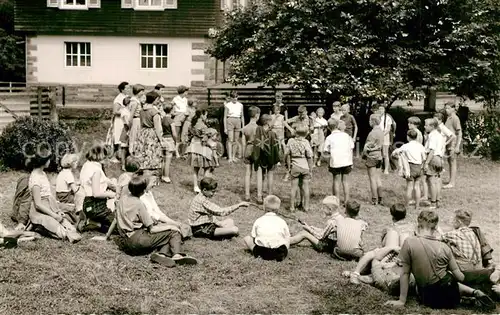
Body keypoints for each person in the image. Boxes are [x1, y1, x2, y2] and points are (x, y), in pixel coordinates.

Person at [385, 210, 495, 310]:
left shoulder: (409, 242)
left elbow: (405, 273)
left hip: (429, 298)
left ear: (418, 222)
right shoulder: (444, 247)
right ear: (436, 226)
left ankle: (469, 298)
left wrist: (401, 301)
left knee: (426, 285)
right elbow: (460, 277)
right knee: (447, 277)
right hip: (451, 292)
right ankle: (474, 292)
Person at [116, 172, 197, 267]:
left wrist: (107, 236)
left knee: (164, 237)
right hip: (137, 240)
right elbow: (152, 229)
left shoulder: (122, 199)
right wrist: (170, 226)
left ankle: (162, 254)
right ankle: (177, 254)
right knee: (173, 232)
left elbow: (116, 219)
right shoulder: (139, 204)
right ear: (143, 191)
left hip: (124, 242)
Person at [344, 204, 415, 293]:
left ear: (392, 216)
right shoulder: (411, 227)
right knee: (402, 237)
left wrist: (390, 246)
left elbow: (383, 245)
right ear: (405, 215)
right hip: (403, 260)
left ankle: (356, 273)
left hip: (388, 258)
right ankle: (361, 273)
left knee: (376, 251)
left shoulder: (389, 228)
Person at [27, 151, 81, 243]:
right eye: (48, 160)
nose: (50, 162)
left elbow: (49, 196)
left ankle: (42, 227)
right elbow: (38, 204)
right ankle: (39, 226)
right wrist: (54, 215)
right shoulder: (36, 178)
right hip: (39, 211)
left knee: (72, 229)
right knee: (64, 233)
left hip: (49, 206)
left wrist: (57, 211)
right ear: (43, 161)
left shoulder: (42, 173)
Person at [441, 210, 500, 289]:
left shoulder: (453, 234)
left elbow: (436, 239)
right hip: (479, 268)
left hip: (465, 272)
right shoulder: (475, 232)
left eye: (453, 220)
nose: (452, 222)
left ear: (459, 221)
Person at [80, 142, 117, 233]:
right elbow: (96, 194)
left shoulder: (87, 165)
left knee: (114, 221)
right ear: (100, 156)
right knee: (119, 227)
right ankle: (96, 224)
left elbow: (104, 181)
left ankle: (95, 221)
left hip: (87, 204)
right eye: (105, 157)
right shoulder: (96, 170)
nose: (106, 159)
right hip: (96, 206)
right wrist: (111, 194)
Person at [243, 195, 290, 262]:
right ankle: (283, 254)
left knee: (247, 238)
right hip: (279, 253)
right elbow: (287, 237)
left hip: (261, 253)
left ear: (264, 208)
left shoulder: (258, 220)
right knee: (287, 238)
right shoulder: (282, 221)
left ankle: (259, 252)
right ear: (278, 210)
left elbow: (254, 238)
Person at [133, 91, 165, 184]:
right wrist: (161, 140)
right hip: (151, 134)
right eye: (158, 99)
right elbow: (157, 128)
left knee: (143, 152)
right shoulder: (154, 112)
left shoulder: (142, 110)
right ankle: (149, 179)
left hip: (143, 133)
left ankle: (140, 174)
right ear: (154, 99)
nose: (158, 101)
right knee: (151, 155)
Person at [185, 108, 219, 193]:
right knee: (206, 168)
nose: (206, 117)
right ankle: (206, 186)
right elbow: (205, 140)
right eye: (206, 115)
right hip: (202, 149)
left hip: (193, 147)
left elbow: (188, 136)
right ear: (202, 115)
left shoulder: (192, 124)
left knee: (195, 170)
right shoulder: (204, 126)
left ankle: (196, 186)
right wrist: (211, 144)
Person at [391, 130, 426, 210]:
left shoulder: (406, 146)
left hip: (410, 167)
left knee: (409, 186)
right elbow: (424, 157)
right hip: (419, 167)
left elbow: (395, 152)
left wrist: (397, 157)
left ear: (408, 137)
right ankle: (417, 206)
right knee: (417, 186)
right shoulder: (420, 146)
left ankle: (407, 205)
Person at [323, 118, 355, 205]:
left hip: (336, 162)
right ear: (337, 126)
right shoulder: (346, 136)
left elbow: (325, 150)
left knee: (336, 180)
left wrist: (329, 155)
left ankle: (336, 200)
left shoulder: (329, 138)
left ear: (329, 128)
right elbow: (352, 146)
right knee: (345, 181)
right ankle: (346, 200)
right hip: (346, 161)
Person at [252, 114, 281, 204]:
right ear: (268, 122)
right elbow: (276, 148)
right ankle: (270, 196)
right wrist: (276, 159)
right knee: (270, 176)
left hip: (260, 157)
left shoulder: (258, 130)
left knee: (259, 176)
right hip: (270, 157)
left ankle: (259, 196)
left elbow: (256, 144)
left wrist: (255, 157)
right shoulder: (273, 133)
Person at [284, 125, 313, 212]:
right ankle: (306, 206)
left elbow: (286, 153)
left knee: (294, 187)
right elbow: (310, 156)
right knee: (305, 187)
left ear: (295, 132)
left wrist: (287, 166)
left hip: (295, 165)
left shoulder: (290, 141)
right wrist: (310, 170)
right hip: (305, 166)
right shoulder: (306, 142)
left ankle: (292, 206)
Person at [55, 153, 85, 223]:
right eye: (75, 162)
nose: (77, 164)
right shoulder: (68, 174)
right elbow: (75, 189)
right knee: (81, 195)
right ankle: (79, 213)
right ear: (71, 163)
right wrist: (81, 187)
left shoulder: (62, 172)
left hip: (59, 195)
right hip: (65, 196)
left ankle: (75, 213)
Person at [423, 118, 445, 209]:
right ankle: (437, 200)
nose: (424, 127)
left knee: (431, 182)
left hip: (433, 158)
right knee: (436, 181)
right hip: (439, 158)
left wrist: (426, 163)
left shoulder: (432, 136)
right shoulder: (439, 135)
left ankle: (433, 202)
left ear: (432, 126)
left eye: (426, 125)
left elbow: (432, 150)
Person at [363, 114, 384, 205]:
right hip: (379, 156)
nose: (369, 122)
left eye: (370, 120)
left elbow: (367, 147)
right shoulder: (381, 131)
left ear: (373, 121)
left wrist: (364, 155)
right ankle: (380, 198)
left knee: (372, 179)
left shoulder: (372, 133)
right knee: (378, 178)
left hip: (372, 156)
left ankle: (374, 198)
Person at [242, 106, 261, 201]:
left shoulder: (245, 128)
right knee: (259, 173)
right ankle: (259, 196)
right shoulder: (259, 128)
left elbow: (243, 143)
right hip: (256, 150)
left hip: (248, 149)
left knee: (247, 173)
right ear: (257, 115)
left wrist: (243, 154)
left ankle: (247, 195)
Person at [444, 103, 462, 189]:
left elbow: (459, 133)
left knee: (452, 162)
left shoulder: (455, 118)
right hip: (448, 142)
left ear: (453, 108)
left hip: (453, 143)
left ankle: (452, 182)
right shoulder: (448, 118)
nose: (446, 110)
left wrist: (457, 146)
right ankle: (451, 180)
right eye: (445, 108)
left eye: (448, 108)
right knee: (450, 162)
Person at [111, 81, 129, 163]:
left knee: (124, 137)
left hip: (125, 120)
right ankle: (114, 156)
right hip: (119, 121)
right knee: (117, 137)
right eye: (127, 88)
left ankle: (123, 155)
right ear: (122, 89)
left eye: (130, 88)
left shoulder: (126, 97)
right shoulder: (118, 98)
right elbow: (115, 111)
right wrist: (124, 112)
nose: (129, 89)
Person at [223, 91, 244, 163]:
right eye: (233, 97)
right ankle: (230, 157)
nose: (235, 99)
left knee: (236, 140)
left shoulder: (240, 105)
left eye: (236, 97)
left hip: (238, 121)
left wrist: (243, 126)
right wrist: (225, 127)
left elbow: (242, 116)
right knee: (230, 139)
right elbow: (225, 117)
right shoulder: (228, 105)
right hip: (230, 120)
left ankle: (234, 156)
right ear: (231, 98)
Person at [377, 104, 396, 174]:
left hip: (385, 136)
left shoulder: (387, 117)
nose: (380, 110)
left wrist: (383, 134)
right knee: (378, 152)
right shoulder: (377, 117)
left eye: (382, 109)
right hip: (378, 136)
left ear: (384, 110)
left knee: (385, 154)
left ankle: (386, 169)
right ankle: (379, 167)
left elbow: (388, 129)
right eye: (379, 109)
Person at [172, 85, 189, 158]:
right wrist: (174, 113)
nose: (187, 93)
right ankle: (176, 152)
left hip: (185, 116)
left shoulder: (185, 99)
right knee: (176, 135)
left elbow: (186, 108)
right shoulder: (175, 99)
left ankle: (183, 152)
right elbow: (171, 107)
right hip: (178, 116)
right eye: (186, 91)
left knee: (184, 134)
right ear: (182, 92)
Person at [128, 84, 145, 155]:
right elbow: (131, 115)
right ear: (138, 91)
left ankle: (135, 152)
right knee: (134, 137)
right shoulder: (135, 102)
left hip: (137, 120)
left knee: (136, 137)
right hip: (135, 121)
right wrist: (130, 125)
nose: (143, 93)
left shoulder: (136, 100)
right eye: (142, 91)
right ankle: (132, 153)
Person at [161, 103, 176, 183]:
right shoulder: (171, 120)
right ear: (171, 111)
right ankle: (166, 176)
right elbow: (174, 133)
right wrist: (175, 140)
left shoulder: (162, 119)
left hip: (163, 139)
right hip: (169, 140)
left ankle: (162, 175)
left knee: (163, 159)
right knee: (168, 160)